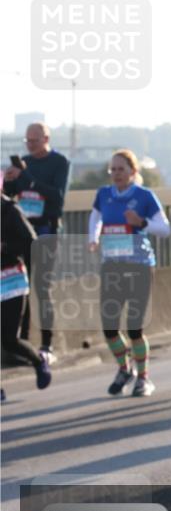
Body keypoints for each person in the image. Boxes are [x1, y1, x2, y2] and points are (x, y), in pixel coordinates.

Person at [89, 149, 171, 396]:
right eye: (112, 169)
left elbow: (165, 229)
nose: (116, 174)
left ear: (133, 172)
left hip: (139, 266)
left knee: (135, 328)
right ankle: (125, 369)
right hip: (112, 266)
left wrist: (142, 223)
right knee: (110, 327)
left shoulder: (145, 196)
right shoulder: (103, 194)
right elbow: (96, 219)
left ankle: (144, 378)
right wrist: (93, 238)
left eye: (121, 169)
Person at [2, 122, 71, 364]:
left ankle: (46, 345)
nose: (30, 145)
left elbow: (57, 197)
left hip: (45, 231)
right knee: (21, 289)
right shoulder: (24, 163)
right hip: (21, 232)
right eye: (27, 141)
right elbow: (11, 197)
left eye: (34, 140)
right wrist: (9, 181)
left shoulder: (59, 162)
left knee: (42, 289)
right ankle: (20, 345)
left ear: (46, 138)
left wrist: (27, 178)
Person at [1, 193, 52, 398]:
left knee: (9, 339)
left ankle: (39, 362)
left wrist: (5, 247)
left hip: (10, 281)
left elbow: (31, 241)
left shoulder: (10, 210)